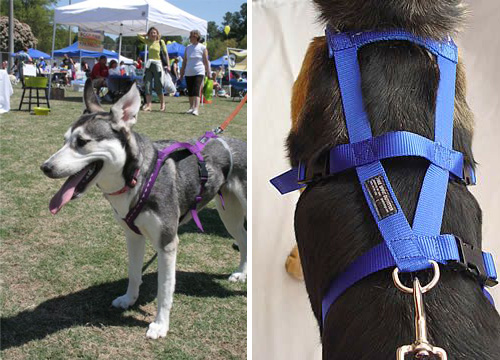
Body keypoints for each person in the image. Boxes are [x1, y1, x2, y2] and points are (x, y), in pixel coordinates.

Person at [137, 27, 170, 112]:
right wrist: (146, 34)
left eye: (154, 32)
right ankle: (149, 105)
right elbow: (138, 35)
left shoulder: (160, 42)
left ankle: (162, 104)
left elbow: (166, 54)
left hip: (158, 65)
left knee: (158, 85)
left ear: (157, 34)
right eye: (151, 33)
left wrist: (168, 65)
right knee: (147, 85)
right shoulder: (148, 41)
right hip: (149, 64)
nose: (152, 34)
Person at [180, 29, 210, 116]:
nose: (190, 38)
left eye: (192, 36)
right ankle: (191, 107)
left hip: (199, 71)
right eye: (190, 36)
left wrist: (208, 71)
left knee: (196, 90)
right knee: (190, 91)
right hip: (188, 72)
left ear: (197, 37)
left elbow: (205, 61)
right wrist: (182, 74)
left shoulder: (202, 47)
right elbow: (184, 61)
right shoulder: (188, 48)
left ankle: (196, 109)